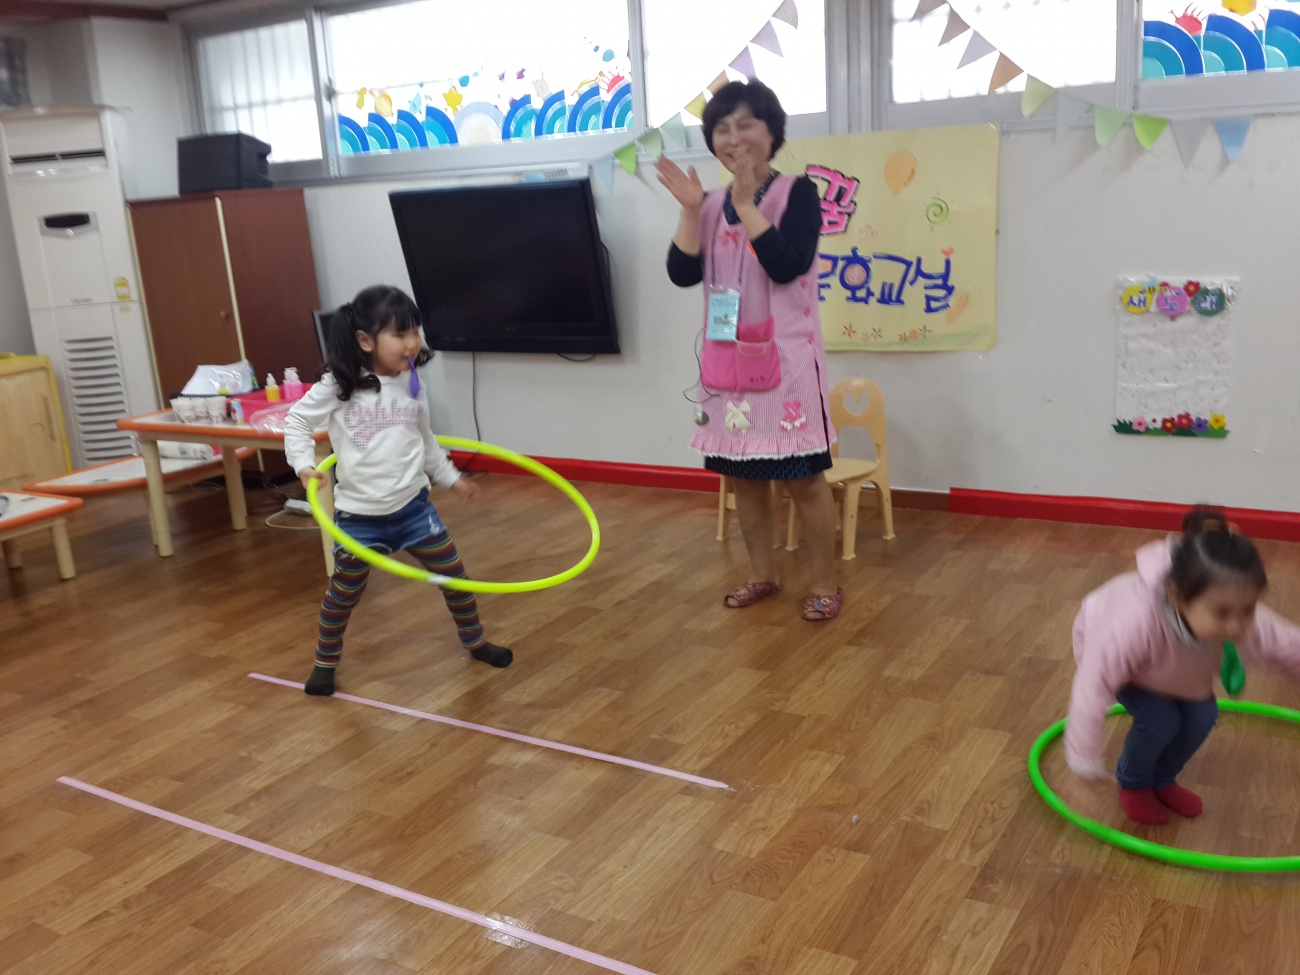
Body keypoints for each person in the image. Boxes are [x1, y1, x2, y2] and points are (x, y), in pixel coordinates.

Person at [654, 79, 842, 622]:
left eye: (746, 124)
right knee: (744, 480)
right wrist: (691, 210)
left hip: (787, 366)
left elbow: (787, 265)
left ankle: (825, 584)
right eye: (722, 128)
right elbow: (681, 273)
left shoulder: (798, 193)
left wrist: (744, 203)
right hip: (726, 365)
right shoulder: (708, 204)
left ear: (772, 133)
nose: (733, 137)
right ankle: (763, 575)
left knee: (804, 480)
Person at [284, 285, 512, 696]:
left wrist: (452, 478)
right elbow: (297, 422)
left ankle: (476, 642)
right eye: (400, 334)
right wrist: (303, 465)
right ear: (365, 340)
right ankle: (324, 664)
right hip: (359, 518)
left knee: (456, 579)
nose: (412, 343)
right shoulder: (341, 384)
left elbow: (425, 441)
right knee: (343, 594)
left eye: (415, 332)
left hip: (414, 511)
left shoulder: (411, 382)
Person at [1065, 506, 1300, 824]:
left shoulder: (1240, 619)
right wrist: (1083, 762)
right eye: (1222, 613)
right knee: (1160, 720)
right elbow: (1092, 687)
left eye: (1247, 610)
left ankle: (1162, 779)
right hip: (1128, 669)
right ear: (1176, 596)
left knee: (1202, 717)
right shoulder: (1130, 625)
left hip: (1180, 670)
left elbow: (1289, 647)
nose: (1236, 625)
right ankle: (1133, 782)